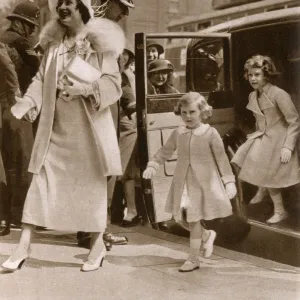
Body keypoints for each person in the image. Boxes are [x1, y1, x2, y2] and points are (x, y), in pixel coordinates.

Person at [1, 0, 124, 272]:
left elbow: (114, 84)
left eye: (69, 3)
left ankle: (97, 246)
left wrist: (86, 89)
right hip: (55, 130)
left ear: (82, 9)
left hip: (88, 133)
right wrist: (28, 102)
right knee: (40, 186)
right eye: (60, 4)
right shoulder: (55, 48)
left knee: (91, 190)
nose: (62, 8)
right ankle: (23, 246)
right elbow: (40, 80)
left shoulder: (101, 45)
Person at [143, 92, 237, 272]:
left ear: (202, 112)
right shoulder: (179, 132)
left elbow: (222, 158)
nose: (188, 116)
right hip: (182, 182)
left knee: (193, 220)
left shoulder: (210, 133)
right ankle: (207, 234)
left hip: (202, 184)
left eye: (192, 112)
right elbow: (165, 150)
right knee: (180, 218)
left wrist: (229, 181)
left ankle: (193, 259)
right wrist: (154, 165)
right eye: (184, 112)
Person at [77, 0, 135, 248]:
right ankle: (93, 234)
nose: (125, 12)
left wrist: (131, 102)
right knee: (98, 171)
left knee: (106, 171)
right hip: (95, 109)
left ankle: (94, 230)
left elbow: (120, 77)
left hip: (110, 109)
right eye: (121, 5)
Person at [232, 55, 300, 224]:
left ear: (266, 75)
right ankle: (262, 189)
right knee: (242, 157)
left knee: (270, 174)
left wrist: (288, 147)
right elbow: (259, 121)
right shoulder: (253, 96)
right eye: (250, 75)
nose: (253, 78)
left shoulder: (279, 94)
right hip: (265, 136)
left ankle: (279, 210)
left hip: (281, 139)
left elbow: (294, 121)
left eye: (257, 74)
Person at [0, 0, 40, 236]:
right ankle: (20, 214)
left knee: (7, 164)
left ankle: (7, 215)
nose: (33, 29)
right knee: (23, 161)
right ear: (19, 23)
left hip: (3, 107)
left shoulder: (3, 38)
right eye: (29, 24)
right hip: (18, 106)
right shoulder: (21, 42)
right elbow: (41, 69)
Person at [118, 46, 142, 227]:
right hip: (118, 124)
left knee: (126, 170)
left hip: (125, 126)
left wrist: (134, 114)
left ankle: (132, 211)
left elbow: (131, 102)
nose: (121, 60)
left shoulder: (124, 76)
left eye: (124, 58)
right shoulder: (120, 75)